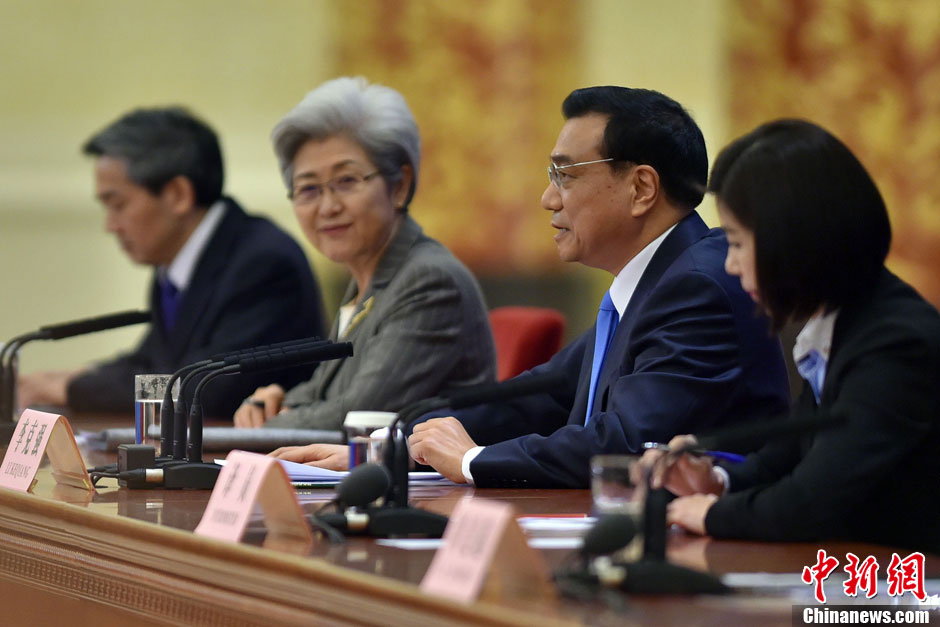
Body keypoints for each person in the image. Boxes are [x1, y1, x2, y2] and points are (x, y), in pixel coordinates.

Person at [275, 86, 791, 487]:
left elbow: (628, 442)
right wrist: (391, 447)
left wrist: (473, 460)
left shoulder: (697, 286)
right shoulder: (652, 282)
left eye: (565, 176)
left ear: (641, 188)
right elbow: (536, 399)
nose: (548, 198)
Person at [642, 119, 940, 553]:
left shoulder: (895, 344)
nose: (730, 265)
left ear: (793, 238)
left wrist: (710, 514)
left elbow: (808, 503)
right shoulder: (843, 322)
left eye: (738, 244)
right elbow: (787, 460)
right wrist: (715, 480)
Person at [17, 107, 326, 418]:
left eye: (118, 205)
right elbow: (151, 364)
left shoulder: (264, 262)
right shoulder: (177, 263)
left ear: (178, 194)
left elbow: (200, 387)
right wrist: (60, 378)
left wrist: (72, 389)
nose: (110, 226)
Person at [234, 76, 496, 432]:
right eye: (308, 189)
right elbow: (325, 392)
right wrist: (276, 402)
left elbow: (357, 416)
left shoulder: (429, 282)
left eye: (346, 181)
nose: (328, 207)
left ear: (399, 185)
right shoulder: (367, 282)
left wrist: (260, 429)